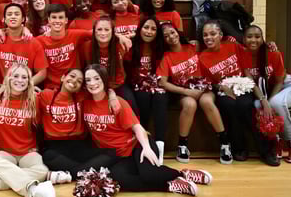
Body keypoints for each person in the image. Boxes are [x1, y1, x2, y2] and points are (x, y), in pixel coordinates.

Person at [82, 64, 212, 196]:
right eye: (88, 80)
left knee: (149, 175)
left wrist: (146, 147)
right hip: (121, 157)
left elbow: (137, 127)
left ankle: (184, 173)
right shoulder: (84, 103)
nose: (92, 83)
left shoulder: (118, 102)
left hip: (138, 144)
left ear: (104, 79)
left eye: (97, 78)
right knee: (120, 180)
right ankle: (170, 185)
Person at [198, 20, 278, 166]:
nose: (208, 37)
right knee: (229, 107)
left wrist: (269, 45)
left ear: (221, 35)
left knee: (247, 106)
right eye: (205, 35)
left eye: (213, 34)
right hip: (223, 91)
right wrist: (222, 87)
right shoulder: (202, 57)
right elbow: (209, 82)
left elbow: (249, 61)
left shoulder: (233, 46)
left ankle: (266, 151)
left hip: (243, 87)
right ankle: (239, 149)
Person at [0, 64, 55, 197]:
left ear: (29, 81)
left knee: (42, 170)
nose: (20, 80)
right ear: (8, 78)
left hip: (28, 151)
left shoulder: (34, 100)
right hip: (5, 152)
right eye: (15, 76)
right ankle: (32, 188)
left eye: (24, 77)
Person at [158, 23, 232, 165]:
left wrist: (269, 45)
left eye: (172, 33)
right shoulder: (166, 57)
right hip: (184, 91)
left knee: (206, 102)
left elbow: (218, 39)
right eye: (166, 36)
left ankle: (224, 143)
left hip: (204, 87)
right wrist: (186, 91)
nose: (171, 37)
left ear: (177, 32)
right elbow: (163, 83)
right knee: (190, 104)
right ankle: (182, 145)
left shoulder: (194, 47)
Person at [240, 25, 291, 163]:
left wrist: (269, 101)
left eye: (257, 36)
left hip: (287, 86)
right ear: (244, 39)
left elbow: (280, 81)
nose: (253, 40)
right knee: (257, 104)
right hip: (266, 91)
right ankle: (274, 139)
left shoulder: (273, 52)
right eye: (249, 36)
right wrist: (263, 100)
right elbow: (251, 82)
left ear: (262, 39)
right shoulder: (243, 55)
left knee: (275, 103)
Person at [123, 17, 166, 162]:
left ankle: (160, 145)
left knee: (161, 97)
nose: (149, 31)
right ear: (140, 29)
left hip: (156, 84)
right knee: (143, 96)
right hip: (135, 85)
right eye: (146, 27)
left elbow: (178, 39)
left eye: (153, 29)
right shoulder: (131, 45)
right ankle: (144, 140)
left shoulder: (160, 47)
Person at [0, 3, 48, 86]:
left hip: (23, 88)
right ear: (4, 19)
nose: (13, 16)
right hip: (1, 88)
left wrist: (25, 85)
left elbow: (42, 73)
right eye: (9, 14)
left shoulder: (33, 43)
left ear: (23, 19)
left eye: (17, 14)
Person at [36, 4, 91, 90]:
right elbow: (24, 43)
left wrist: (119, 35)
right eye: (54, 17)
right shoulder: (40, 40)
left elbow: (98, 33)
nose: (57, 21)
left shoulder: (75, 34)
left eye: (60, 17)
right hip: (51, 88)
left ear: (66, 20)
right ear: (49, 20)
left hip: (73, 85)